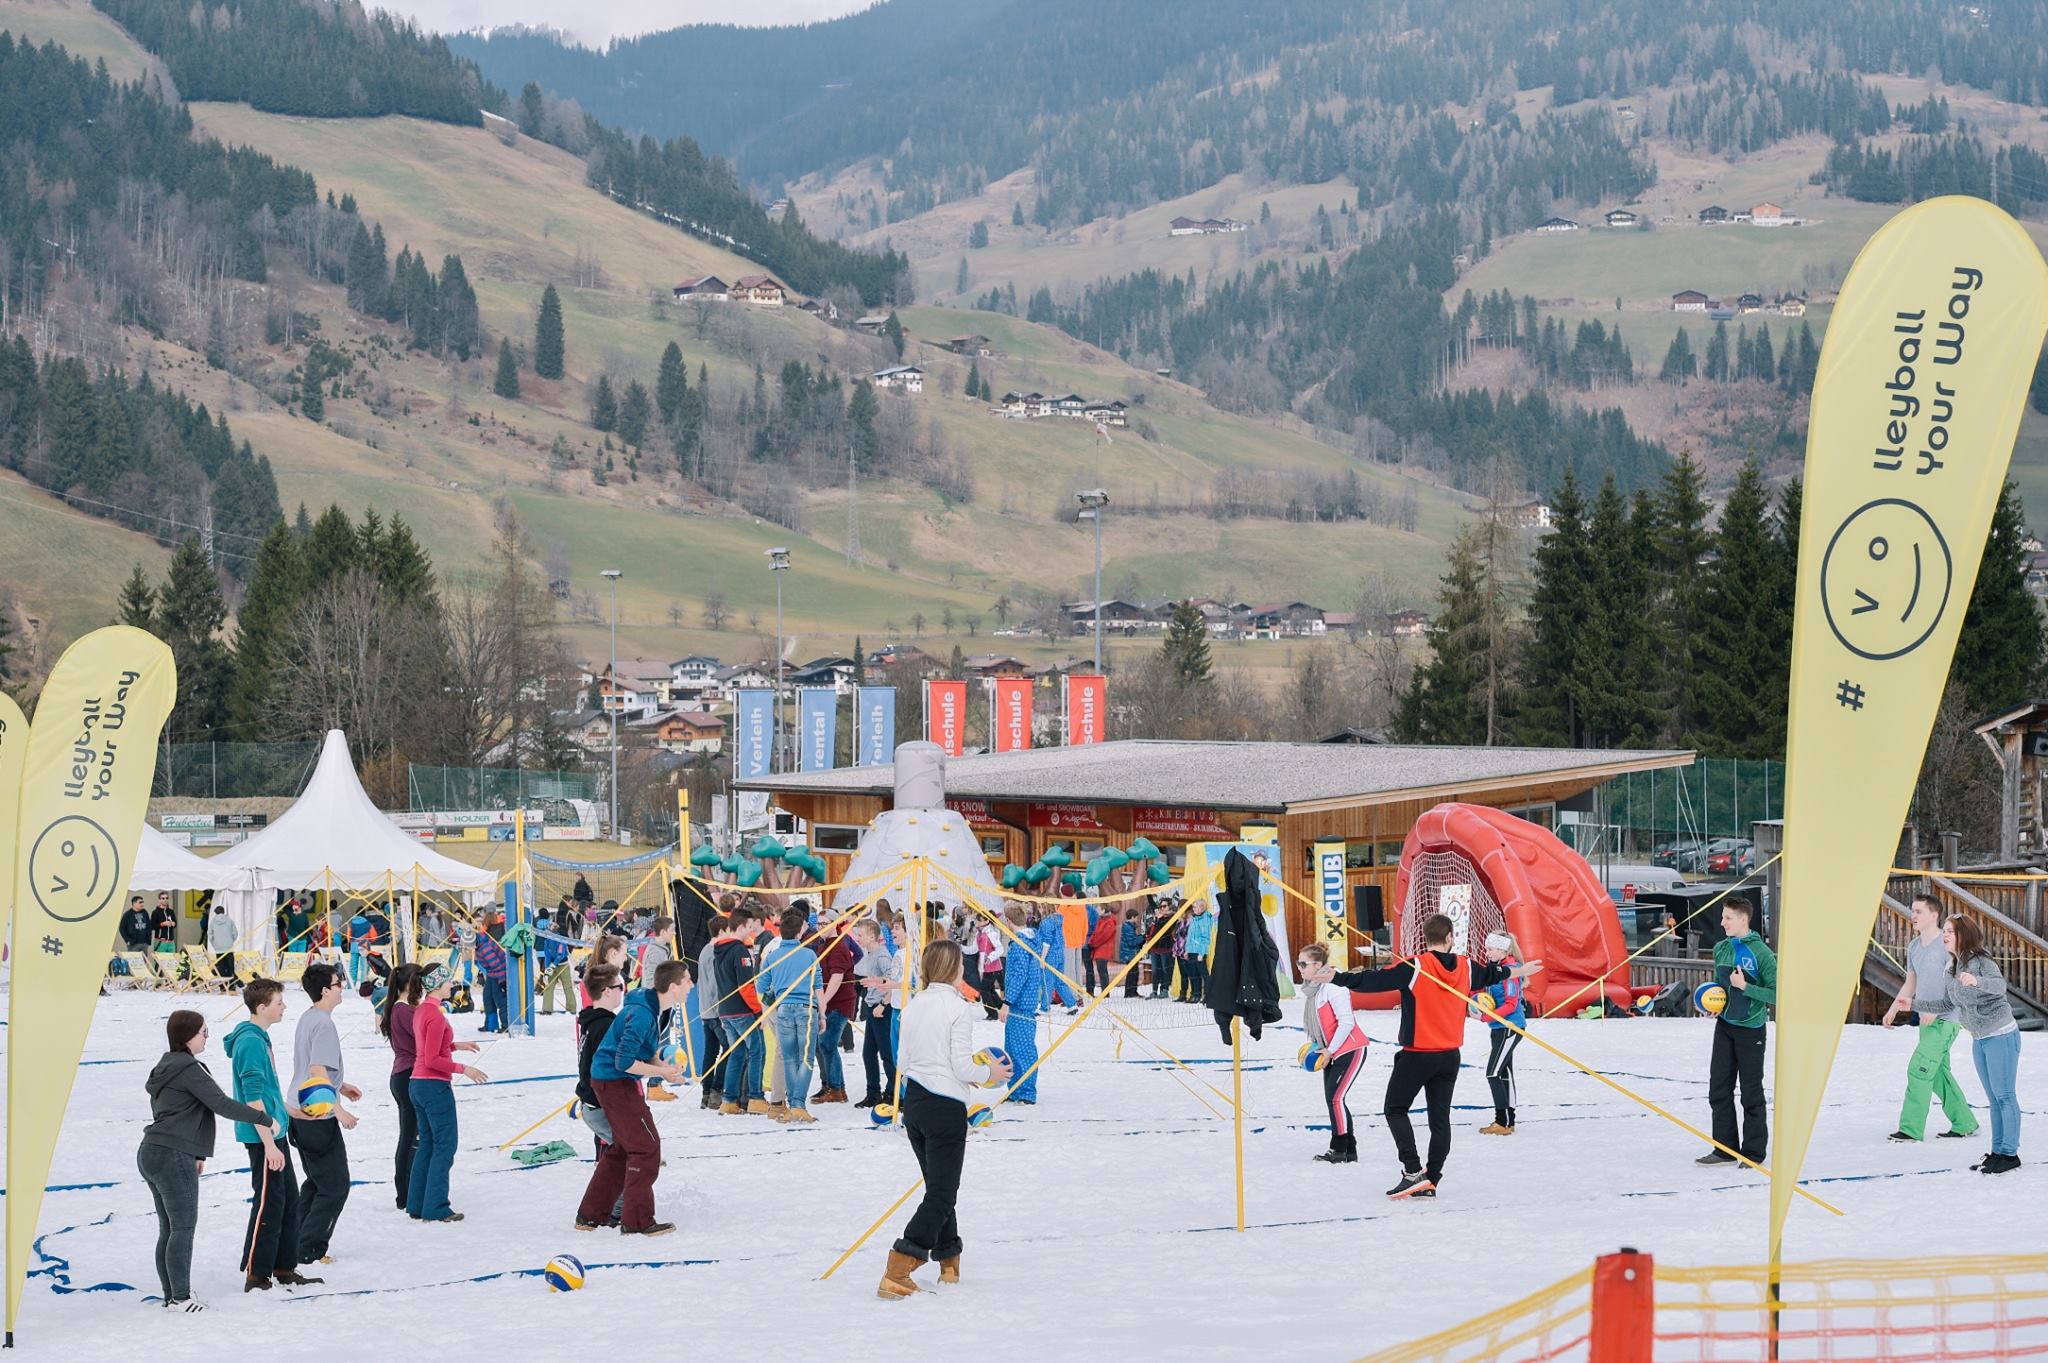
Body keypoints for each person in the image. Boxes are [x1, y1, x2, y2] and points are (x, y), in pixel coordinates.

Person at [1305, 913, 1540, 1199]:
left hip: (1417, 1056)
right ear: (1450, 937)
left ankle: (1414, 1173)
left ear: (1425, 938)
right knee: (1439, 1119)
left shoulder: (1415, 966)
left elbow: (1373, 980)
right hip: (1449, 1057)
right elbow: (1496, 974)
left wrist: (1338, 977)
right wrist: (1521, 970)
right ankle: (1431, 1178)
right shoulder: (1466, 966)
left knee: (1395, 1109)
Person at [878, 940, 1012, 1300]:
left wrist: (959, 1073)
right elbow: (962, 1067)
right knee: (941, 1192)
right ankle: (899, 1266)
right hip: (944, 1108)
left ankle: (949, 1259)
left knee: (938, 1186)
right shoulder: (958, 1008)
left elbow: (901, 1062)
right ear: (954, 969)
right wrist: (990, 1074)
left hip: (916, 1105)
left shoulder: (912, 1005)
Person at [140, 1008, 282, 1310]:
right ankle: (180, 1298)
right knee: (181, 1229)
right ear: (188, 1036)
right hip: (171, 1154)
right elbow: (221, 1104)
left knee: (169, 1228)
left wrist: (197, 1152)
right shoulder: (189, 1069)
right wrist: (264, 1118)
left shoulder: (166, 1066)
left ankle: (172, 1296)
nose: (207, 1037)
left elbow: (176, 1111)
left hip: (152, 1151)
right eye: (204, 1032)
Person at [577, 960, 691, 1235]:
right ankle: (637, 1221)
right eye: (687, 980)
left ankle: (591, 1215)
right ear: (673, 987)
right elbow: (624, 1062)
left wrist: (664, 1069)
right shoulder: (642, 1014)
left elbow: (642, 1052)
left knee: (622, 1149)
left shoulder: (650, 1008)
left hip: (612, 1081)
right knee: (646, 1147)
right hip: (613, 1083)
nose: (691, 985)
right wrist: (660, 1072)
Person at [225, 979, 321, 1291]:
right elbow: (252, 1098)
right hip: (262, 1137)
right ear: (262, 1007)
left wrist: (284, 1119)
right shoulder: (250, 1043)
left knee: (289, 1200)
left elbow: (266, 1093)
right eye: (279, 1003)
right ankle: (257, 1274)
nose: (284, 1007)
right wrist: (269, 1144)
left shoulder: (260, 1037)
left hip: (274, 1132)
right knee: (269, 1203)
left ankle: (283, 1266)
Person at [1883, 896, 1979, 1144]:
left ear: (1934, 915)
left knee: (1919, 1069)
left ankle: (1910, 1129)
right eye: (1912, 910)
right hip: (1926, 1022)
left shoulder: (1947, 944)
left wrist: (1937, 1010)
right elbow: (1911, 982)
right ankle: (1965, 1123)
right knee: (1937, 1074)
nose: (1913, 915)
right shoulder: (1914, 946)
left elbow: (1959, 982)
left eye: (1919, 911)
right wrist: (1894, 1009)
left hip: (1946, 1020)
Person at [289, 964, 362, 1265]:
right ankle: (309, 1248)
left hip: (300, 1109)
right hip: (316, 1115)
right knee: (335, 1186)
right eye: (337, 983)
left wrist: (340, 1085)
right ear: (324, 991)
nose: (342, 987)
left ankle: (295, 1240)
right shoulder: (323, 1024)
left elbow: (312, 1066)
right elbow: (317, 1070)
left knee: (317, 1182)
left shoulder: (309, 1017)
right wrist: (338, 1108)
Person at [1698, 896, 1776, 1168]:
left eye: (1728, 918)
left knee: (1751, 1094)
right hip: (1725, 1026)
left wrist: (1746, 987)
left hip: (1751, 1030)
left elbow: (1778, 994)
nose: (1722, 922)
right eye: (1723, 917)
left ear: (1744, 919)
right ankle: (1724, 1149)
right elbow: (1719, 988)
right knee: (1718, 1089)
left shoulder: (1762, 953)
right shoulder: (1721, 948)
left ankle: (1753, 1154)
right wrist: (1713, 1006)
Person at [408, 965, 487, 1222]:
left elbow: (429, 1047)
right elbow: (432, 1059)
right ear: (437, 984)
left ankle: (417, 1203)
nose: (452, 985)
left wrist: (455, 1046)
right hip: (433, 1085)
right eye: (448, 981)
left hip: (417, 1084)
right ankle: (436, 1207)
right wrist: (464, 1069)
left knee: (427, 1144)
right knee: (444, 1145)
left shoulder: (423, 1010)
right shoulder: (435, 1015)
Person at [1947, 915, 2021, 1173]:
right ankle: (1997, 1152)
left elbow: (2000, 986)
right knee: (1993, 1098)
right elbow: (1948, 1003)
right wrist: (1912, 1004)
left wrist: (1977, 980)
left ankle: (2010, 1154)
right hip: (1979, 1038)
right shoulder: (1952, 967)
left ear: (1963, 935)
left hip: (2001, 1034)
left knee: (2005, 1095)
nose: (1944, 935)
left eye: (1949, 931)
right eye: (1944, 931)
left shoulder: (1981, 961)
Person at [1297, 943, 1369, 1164]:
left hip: (1350, 1049)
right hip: (1331, 1051)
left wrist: (1330, 1050)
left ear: (1318, 964)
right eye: (1298, 963)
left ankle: (1338, 1150)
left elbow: (1346, 1022)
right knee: (1335, 1099)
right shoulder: (1314, 989)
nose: (1299, 967)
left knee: (1335, 1098)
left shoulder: (1333, 986)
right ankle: (1349, 1150)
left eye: (1303, 963)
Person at [574, 963, 626, 1226]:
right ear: (607, 991)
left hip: (593, 1103)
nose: (622, 992)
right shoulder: (605, 1026)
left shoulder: (592, 1021)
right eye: (620, 987)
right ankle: (614, 1211)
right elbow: (608, 1068)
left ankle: (610, 1209)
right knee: (632, 1152)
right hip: (599, 1104)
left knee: (622, 1152)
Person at [759, 907, 821, 1123]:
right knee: (802, 1058)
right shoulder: (808, 954)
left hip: (782, 1009)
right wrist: (822, 1014)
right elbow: (818, 986)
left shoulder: (773, 953)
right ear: (798, 931)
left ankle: (789, 1104)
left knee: (788, 1057)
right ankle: (794, 1105)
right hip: (803, 1009)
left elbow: (761, 985)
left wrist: (768, 1006)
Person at [713, 903, 770, 1115]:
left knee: (737, 1053)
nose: (751, 931)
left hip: (726, 1011)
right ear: (741, 926)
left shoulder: (719, 951)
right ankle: (755, 1097)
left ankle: (729, 1100)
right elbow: (746, 987)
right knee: (757, 1051)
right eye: (749, 927)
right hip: (742, 1011)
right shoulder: (739, 951)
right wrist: (758, 1011)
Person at [379, 963, 423, 1210]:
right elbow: (425, 1039)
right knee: (409, 1136)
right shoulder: (403, 1010)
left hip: (404, 1074)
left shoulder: (402, 1008)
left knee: (411, 1134)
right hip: (407, 1076)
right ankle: (404, 1193)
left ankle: (407, 1190)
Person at [1476, 931, 1528, 1135]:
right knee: (1505, 1073)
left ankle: (1501, 1121)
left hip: (1510, 1027)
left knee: (1493, 1072)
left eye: (1490, 949)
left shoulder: (1511, 971)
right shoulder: (1496, 970)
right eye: (1486, 949)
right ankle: (1509, 1121)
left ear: (1503, 950)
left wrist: (1487, 1017)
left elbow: (1511, 1004)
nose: (1487, 953)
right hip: (1498, 1028)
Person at [851, 918, 900, 1108]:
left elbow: (893, 981)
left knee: (887, 1054)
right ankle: (873, 1093)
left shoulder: (882, 955)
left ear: (872, 936)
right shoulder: (870, 953)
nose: (857, 938)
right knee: (868, 1053)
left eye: (860, 935)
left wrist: (882, 1004)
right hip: (873, 1007)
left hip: (882, 1010)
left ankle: (895, 1093)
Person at [1000, 905, 1045, 1105]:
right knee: (1011, 1048)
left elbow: (1019, 976)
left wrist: (1007, 1002)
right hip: (1022, 1002)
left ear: (1009, 921)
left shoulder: (1020, 945)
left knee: (1023, 1049)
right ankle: (1016, 1088)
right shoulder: (1029, 939)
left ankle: (1026, 1091)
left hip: (1022, 1003)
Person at [815, 917, 856, 1102]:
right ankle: (836, 1088)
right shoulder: (824, 945)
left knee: (827, 1044)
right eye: (819, 924)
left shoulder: (838, 946)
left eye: (825, 923)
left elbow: (837, 977)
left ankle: (836, 1089)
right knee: (826, 1045)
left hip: (839, 1003)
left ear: (835, 924)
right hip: (830, 1002)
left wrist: (823, 1002)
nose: (821, 927)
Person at [693, 914, 728, 1108]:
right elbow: (715, 984)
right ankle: (716, 1090)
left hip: (705, 1009)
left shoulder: (704, 950)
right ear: (722, 931)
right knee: (729, 1049)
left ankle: (706, 1093)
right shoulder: (716, 951)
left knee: (711, 1051)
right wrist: (721, 1011)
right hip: (715, 1011)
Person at [474, 920, 509, 1033]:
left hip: (499, 974)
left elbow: (496, 965)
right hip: (491, 974)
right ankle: (491, 1024)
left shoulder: (485, 948)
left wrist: (502, 981)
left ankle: (506, 1024)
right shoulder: (480, 945)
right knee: (488, 998)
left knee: (500, 999)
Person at [1181, 897, 1216, 1004]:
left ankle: (1208, 996)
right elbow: (1189, 936)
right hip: (1191, 950)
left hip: (1199, 951)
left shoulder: (1206, 919)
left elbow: (1206, 938)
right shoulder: (1194, 919)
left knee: (1203, 974)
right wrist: (1187, 950)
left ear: (1202, 907)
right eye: (1193, 907)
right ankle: (1195, 994)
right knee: (1193, 974)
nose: (1194, 909)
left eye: (1195, 907)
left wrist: (1202, 953)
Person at [1086, 903, 1118, 994]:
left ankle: (1105, 992)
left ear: (1103, 910)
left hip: (1104, 949)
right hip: (1099, 949)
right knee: (1102, 971)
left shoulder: (1110, 921)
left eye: (1099, 908)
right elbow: (1096, 933)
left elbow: (1103, 936)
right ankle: (1105, 991)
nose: (1097, 910)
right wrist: (1091, 942)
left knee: (1102, 971)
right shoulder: (1101, 920)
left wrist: (1092, 944)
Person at [207, 903, 239, 984]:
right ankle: (231, 985)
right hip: (228, 947)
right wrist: (230, 941)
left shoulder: (213, 922)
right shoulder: (229, 920)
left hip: (218, 948)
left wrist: (214, 943)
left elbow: (210, 934)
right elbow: (235, 933)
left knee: (221, 968)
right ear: (223, 912)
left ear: (215, 912)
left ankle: (223, 986)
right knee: (230, 967)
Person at [1119, 908, 1145, 999]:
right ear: (1133, 917)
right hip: (1129, 954)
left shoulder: (1129, 927)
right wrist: (1142, 937)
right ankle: (1130, 992)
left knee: (1134, 972)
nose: (1137, 919)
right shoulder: (1128, 927)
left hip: (1131, 953)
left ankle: (1132, 991)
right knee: (1132, 973)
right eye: (1136, 917)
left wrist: (1139, 937)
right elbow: (1131, 942)